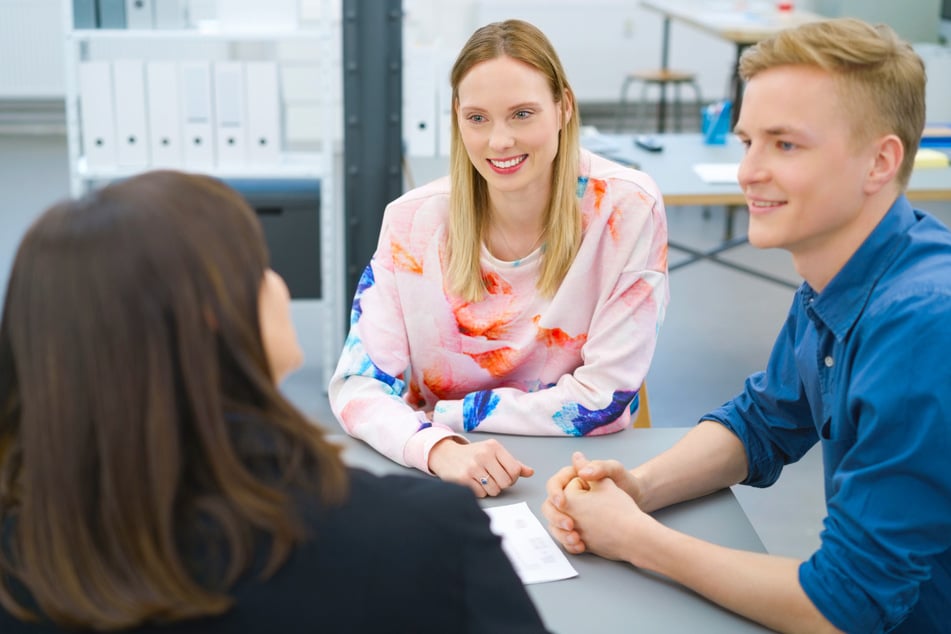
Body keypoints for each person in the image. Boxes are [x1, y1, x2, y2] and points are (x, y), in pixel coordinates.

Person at [0, 171, 550, 633]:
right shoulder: (421, 538)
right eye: (259, 266)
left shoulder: (25, 562)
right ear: (212, 318)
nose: (279, 283)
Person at [543, 17, 951, 634]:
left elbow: (843, 605)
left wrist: (636, 539)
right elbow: (765, 422)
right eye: (747, 142)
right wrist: (640, 488)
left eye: (785, 145)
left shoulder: (924, 326)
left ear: (880, 162)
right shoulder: (837, 278)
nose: (748, 172)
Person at [329, 19, 669, 498]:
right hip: (445, 470)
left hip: (574, 473)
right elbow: (356, 386)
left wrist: (443, 415)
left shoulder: (625, 208)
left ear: (563, 107)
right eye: (477, 118)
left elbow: (603, 398)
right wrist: (441, 448)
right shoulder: (412, 223)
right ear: (457, 118)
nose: (499, 141)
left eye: (522, 114)